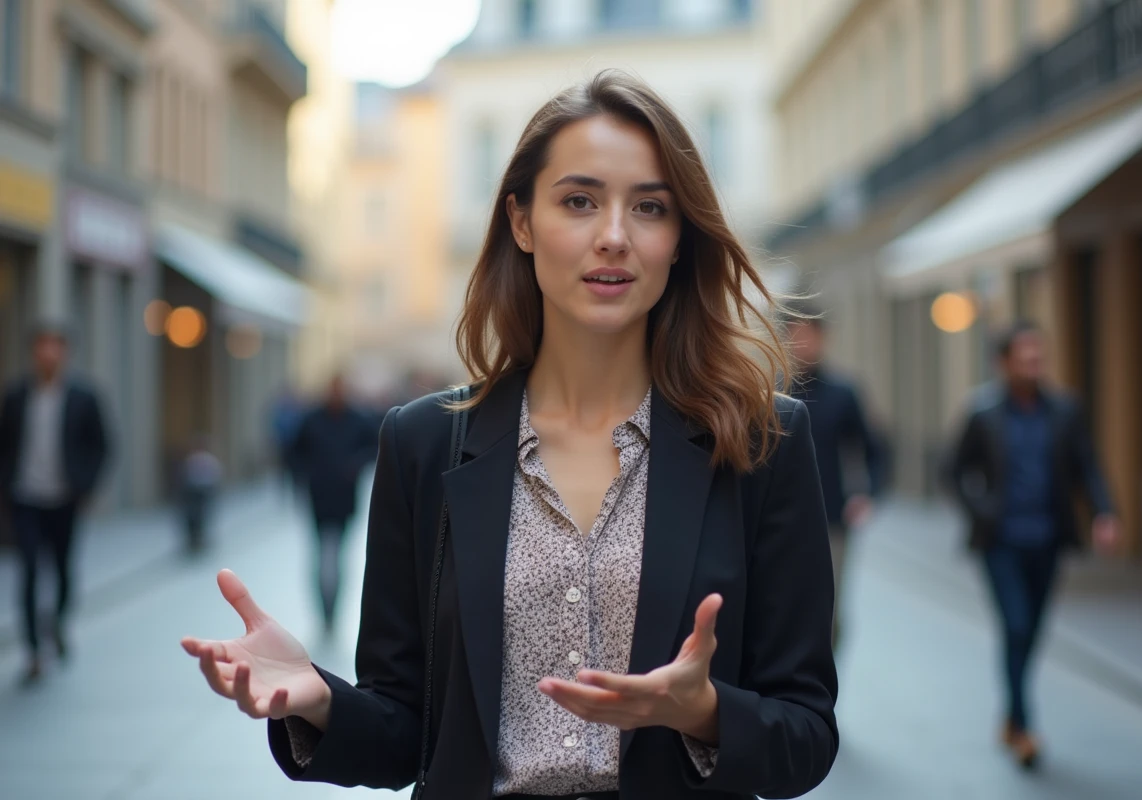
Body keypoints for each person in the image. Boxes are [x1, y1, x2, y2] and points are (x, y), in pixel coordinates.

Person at [182, 70, 838, 799]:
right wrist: (318, 699)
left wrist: (708, 713)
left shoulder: (763, 440)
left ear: (680, 238)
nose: (614, 236)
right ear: (522, 222)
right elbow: (406, 731)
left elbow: (806, 734)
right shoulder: (424, 443)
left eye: (650, 207)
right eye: (580, 201)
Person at [947, 320, 1118, 770]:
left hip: (1048, 540)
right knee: (1018, 626)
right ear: (1003, 363)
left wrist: (1104, 513)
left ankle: (1010, 716)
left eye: (1038, 357)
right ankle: (1023, 726)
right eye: (1024, 358)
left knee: (1032, 630)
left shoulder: (1065, 410)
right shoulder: (982, 412)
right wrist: (982, 511)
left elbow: (1088, 465)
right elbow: (953, 470)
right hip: (999, 542)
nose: (1033, 365)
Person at [0, 323, 109, 684]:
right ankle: (33, 649)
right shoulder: (17, 396)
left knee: (62, 568)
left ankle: (57, 624)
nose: (48, 354)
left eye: (54, 347)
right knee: (30, 569)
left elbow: (103, 444)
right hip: (25, 498)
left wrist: (86, 487)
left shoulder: (83, 396)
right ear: (33, 352)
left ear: (65, 353)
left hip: (64, 499)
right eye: (41, 346)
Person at [783, 300, 886, 650]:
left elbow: (875, 450)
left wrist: (866, 494)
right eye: (796, 334)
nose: (804, 342)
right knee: (787, 606)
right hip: (781, 519)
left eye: (809, 335)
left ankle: (823, 689)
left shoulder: (844, 393)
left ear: (822, 338)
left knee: (829, 607)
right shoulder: (772, 392)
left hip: (832, 520)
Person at [288, 374, 378, 634]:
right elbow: (293, 453)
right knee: (322, 556)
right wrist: (308, 474)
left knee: (336, 557)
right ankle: (324, 611)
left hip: (344, 500)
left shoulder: (358, 419)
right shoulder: (312, 419)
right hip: (319, 498)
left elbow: (374, 448)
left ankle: (333, 610)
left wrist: (355, 467)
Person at [176, 434, 223, 556]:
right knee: (191, 518)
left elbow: (215, 478)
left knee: (202, 517)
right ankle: (192, 540)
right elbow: (184, 477)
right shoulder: (190, 460)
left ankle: (200, 539)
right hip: (192, 493)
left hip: (204, 493)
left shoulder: (209, 460)